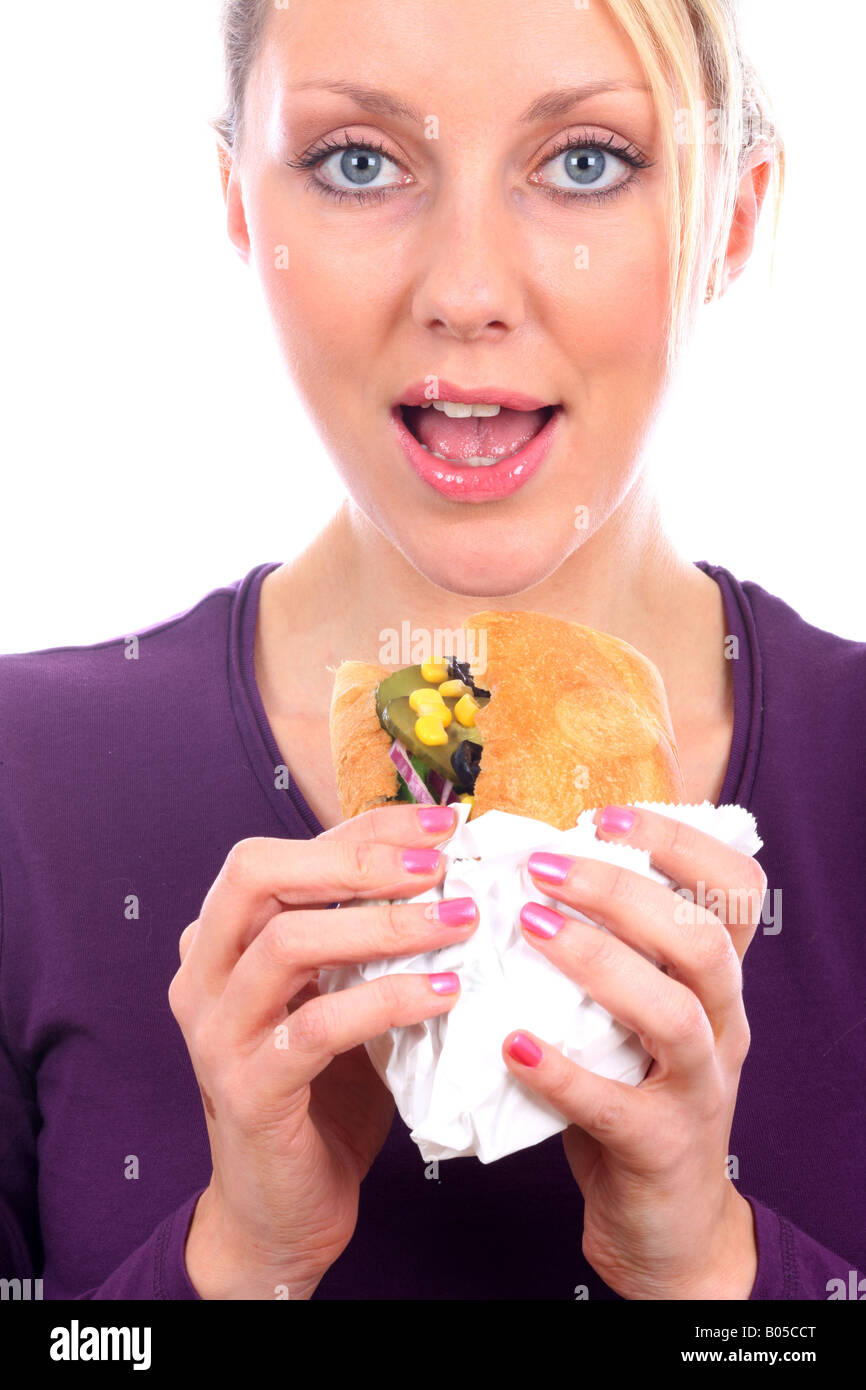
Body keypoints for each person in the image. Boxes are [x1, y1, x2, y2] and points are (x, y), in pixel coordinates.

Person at [0, 0, 863, 1302]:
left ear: (731, 219)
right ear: (241, 203)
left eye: (584, 161)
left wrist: (708, 1269)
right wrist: (239, 1261)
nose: (465, 293)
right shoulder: (29, 783)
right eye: (359, 160)